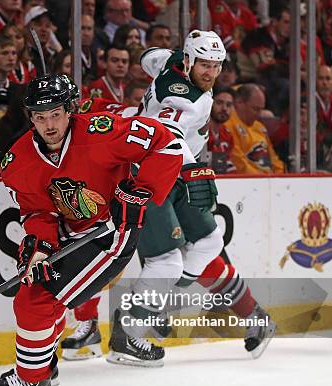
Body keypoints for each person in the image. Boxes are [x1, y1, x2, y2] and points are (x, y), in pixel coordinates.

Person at [71, 30, 275, 366]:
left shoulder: (174, 63)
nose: (210, 72)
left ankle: (161, 305)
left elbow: (148, 57)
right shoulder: (186, 101)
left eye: (216, 65)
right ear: (191, 61)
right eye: (204, 64)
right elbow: (167, 137)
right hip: (149, 174)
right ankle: (126, 334)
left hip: (173, 171)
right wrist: (193, 170)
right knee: (160, 260)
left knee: (208, 241)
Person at [0, 73, 188, 386]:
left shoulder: (102, 131)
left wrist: (139, 192)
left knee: (37, 299)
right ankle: (41, 366)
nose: (49, 125)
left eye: (55, 114)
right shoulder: (18, 160)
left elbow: (169, 143)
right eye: (40, 117)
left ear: (69, 110)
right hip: (70, 236)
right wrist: (39, 249)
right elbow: (39, 213)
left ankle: (31, 378)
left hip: (112, 234)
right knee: (35, 289)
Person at [225, 84, 285, 174]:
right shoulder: (229, 125)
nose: (259, 114)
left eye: (261, 109)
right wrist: (261, 179)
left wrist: (280, 176)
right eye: (255, 109)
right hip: (248, 183)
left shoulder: (260, 127)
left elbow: (274, 159)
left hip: (269, 182)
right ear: (239, 103)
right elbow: (238, 161)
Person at [207, 86, 236, 174]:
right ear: (209, 103)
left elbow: (223, 168)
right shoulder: (198, 131)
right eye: (219, 103)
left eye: (229, 105)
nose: (224, 108)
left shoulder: (227, 136)